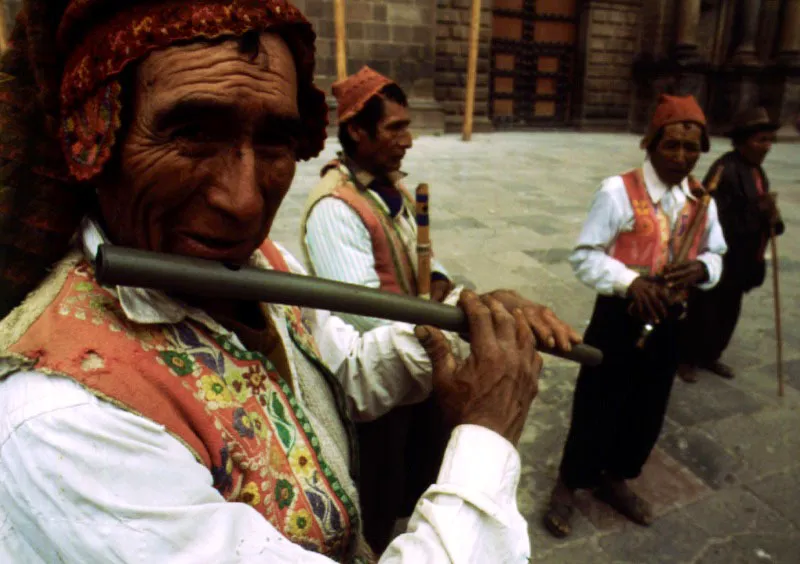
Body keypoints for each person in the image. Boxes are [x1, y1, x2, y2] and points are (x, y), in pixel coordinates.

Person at [0, 1, 572, 562]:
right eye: (193, 133)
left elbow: (340, 369)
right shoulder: (65, 420)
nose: (244, 202)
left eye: (274, 142)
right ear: (94, 138)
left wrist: (459, 334)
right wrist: (487, 436)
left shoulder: (264, 261)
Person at [300, 66, 581, 549]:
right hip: (380, 387)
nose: (408, 140)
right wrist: (464, 314)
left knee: (422, 469)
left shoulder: (391, 189)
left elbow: (421, 256)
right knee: (378, 490)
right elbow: (368, 315)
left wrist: (446, 284)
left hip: (420, 364)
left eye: (408, 126)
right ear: (355, 131)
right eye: (395, 128)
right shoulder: (335, 210)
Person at [541, 94, 728, 538]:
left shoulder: (702, 200)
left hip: (670, 320)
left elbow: (717, 252)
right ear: (650, 144)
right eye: (671, 146)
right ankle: (571, 483)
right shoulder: (616, 192)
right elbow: (585, 256)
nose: (682, 157)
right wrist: (630, 282)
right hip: (619, 317)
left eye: (692, 148)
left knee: (648, 406)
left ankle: (617, 478)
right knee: (598, 401)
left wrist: (702, 268)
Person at [678, 107, 784, 383]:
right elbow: (714, 218)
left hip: (744, 260)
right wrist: (757, 213)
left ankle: (711, 355)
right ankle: (687, 358)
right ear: (743, 140)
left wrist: (772, 216)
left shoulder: (756, 170)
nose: (767, 147)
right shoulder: (725, 169)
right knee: (704, 309)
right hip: (722, 256)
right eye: (761, 140)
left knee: (728, 310)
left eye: (769, 140)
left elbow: (763, 211)